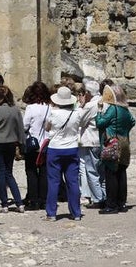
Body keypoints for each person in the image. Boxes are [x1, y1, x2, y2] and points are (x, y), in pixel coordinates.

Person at [44, 85, 89, 221]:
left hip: (55, 148)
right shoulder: (77, 113)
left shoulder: (53, 113)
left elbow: (47, 128)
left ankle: (51, 213)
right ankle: (76, 213)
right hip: (72, 148)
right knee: (73, 182)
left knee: (53, 182)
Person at [96, 84, 135, 214]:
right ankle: (121, 203)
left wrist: (99, 111)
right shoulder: (125, 110)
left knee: (111, 173)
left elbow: (100, 123)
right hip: (124, 142)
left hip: (113, 143)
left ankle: (111, 205)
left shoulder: (113, 109)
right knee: (122, 173)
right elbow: (132, 122)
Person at [0, 84, 25, 212]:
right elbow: (20, 128)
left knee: (0, 172)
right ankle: (19, 202)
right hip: (11, 143)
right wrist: (22, 144)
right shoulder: (15, 110)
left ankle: (4, 203)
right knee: (9, 173)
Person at [21, 81, 53, 210]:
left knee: (31, 171)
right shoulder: (50, 108)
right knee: (44, 172)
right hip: (47, 143)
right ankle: (43, 199)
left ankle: (33, 200)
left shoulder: (31, 108)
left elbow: (24, 125)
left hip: (33, 144)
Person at [78, 80, 106, 207]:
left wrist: (81, 106)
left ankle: (98, 199)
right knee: (102, 171)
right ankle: (104, 195)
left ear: (88, 93)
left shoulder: (90, 106)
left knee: (91, 171)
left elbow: (80, 121)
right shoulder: (104, 101)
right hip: (102, 140)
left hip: (91, 140)